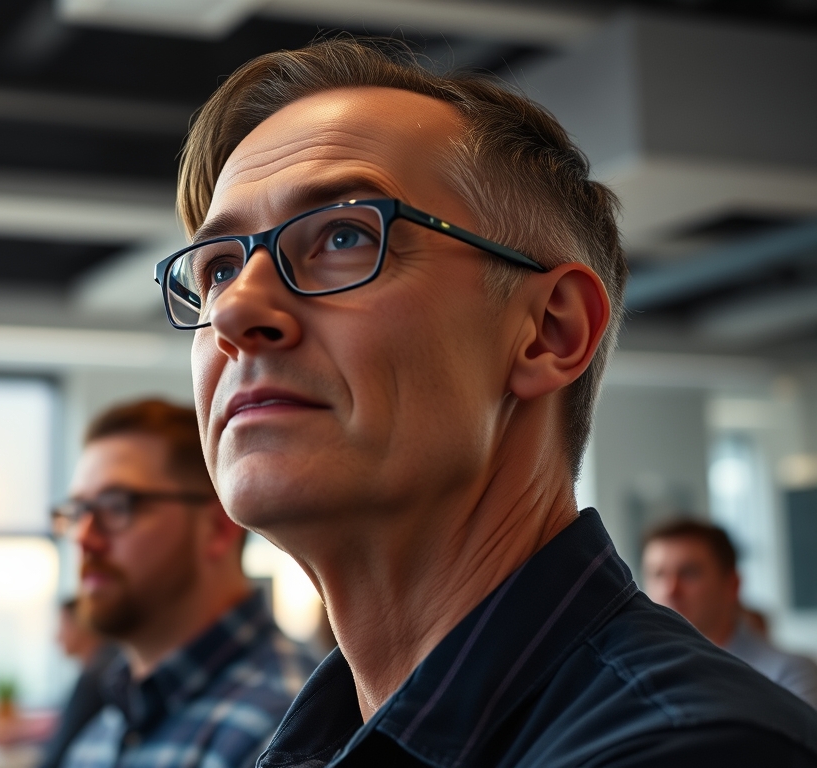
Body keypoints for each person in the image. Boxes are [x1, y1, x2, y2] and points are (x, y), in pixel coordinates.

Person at [159, 36, 817, 766]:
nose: (233, 312)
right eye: (218, 269)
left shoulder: (691, 751)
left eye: (343, 234)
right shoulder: (325, 738)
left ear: (548, 332)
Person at [53, 399, 318, 768]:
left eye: (117, 505)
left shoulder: (288, 733)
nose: (84, 537)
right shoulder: (101, 734)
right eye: (78, 511)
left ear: (218, 529)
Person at [643, 518, 817, 708]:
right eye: (658, 574)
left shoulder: (788, 674)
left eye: (688, 573)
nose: (670, 589)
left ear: (732, 584)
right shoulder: (637, 673)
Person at [37, 599, 116, 768]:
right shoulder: (105, 667)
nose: (57, 637)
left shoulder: (95, 677)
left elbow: (56, 753)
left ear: (83, 625)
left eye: (63, 626)